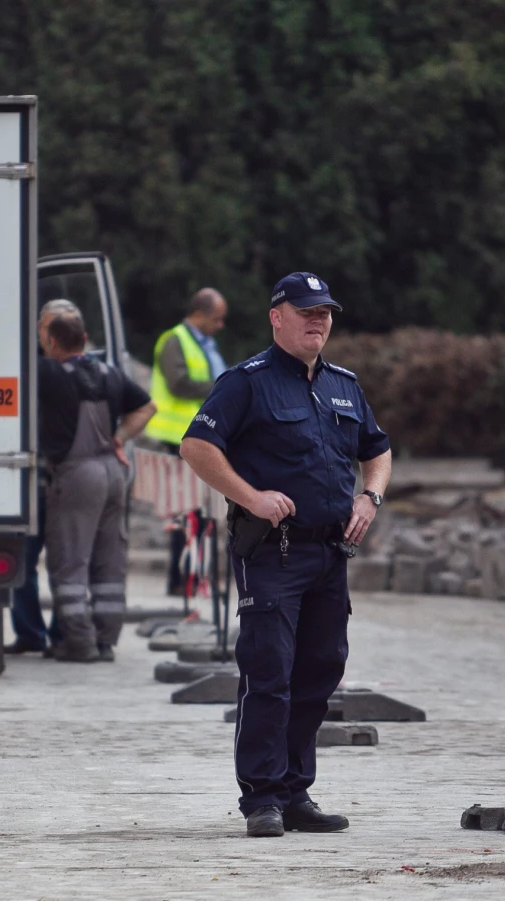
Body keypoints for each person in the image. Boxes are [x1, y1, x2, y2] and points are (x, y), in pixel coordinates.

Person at [179, 272, 391, 838]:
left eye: (324, 312)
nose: (318, 321)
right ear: (277, 317)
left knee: (320, 670)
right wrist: (249, 495)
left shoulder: (344, 385)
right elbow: (197, 446)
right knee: (268, 673)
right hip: (272, 552)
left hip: (329, 554)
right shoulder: (246, 382)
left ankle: (297, 792)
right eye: (306, 311)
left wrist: (369, 497)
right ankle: (262, 798)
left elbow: (378, 449)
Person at [41, 309, 156, 662]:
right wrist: (120, 438)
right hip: (114, 473)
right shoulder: (110, 373)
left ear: (53, 341)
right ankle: (106, 641)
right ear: (86, 338)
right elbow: (148, 407)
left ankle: (80, 644)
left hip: (78, 476)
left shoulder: (49, 374)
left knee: (70, 560)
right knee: (110, 560)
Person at [5, 298, 81, 655]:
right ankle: (32, 632)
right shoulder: (33, 368)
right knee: (23, 560)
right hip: (34, 477)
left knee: (65, 562)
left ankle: (61, 633)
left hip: (67, 478)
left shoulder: (72, 370)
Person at [145, 288, 228, 595]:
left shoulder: (204, 343)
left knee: (200, 511)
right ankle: (182, 581)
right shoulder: (174, 340)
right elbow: (178, 383)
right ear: (199, 314)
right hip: (178, 438)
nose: (220, 326)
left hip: (202, 437)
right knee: (187, 511)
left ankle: (194, 579)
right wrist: (223, 386)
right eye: (216, 319)